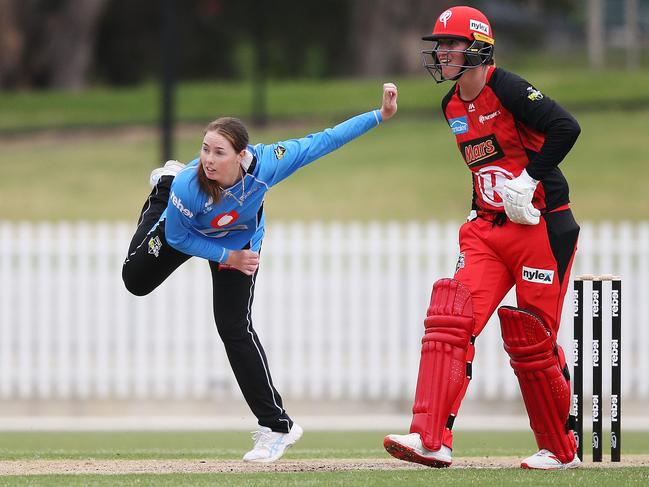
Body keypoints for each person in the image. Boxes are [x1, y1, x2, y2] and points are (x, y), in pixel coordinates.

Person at [121, 83, 397, 463]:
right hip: (189, 230)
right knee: (134, 281)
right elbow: (177, 237)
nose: (209, 160)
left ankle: (276, 427)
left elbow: (325, 140)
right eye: (205, 150)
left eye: (219, 153)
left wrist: (378, 116)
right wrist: (225, 256)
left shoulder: (267, 164)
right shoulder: (191, 184)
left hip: (240, 240)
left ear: (242, 156)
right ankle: (161, 187)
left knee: (233, 327)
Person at [383, 6, 581, 470]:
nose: (443, 53)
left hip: (540, 224)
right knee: (450, 320)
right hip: (488, 229)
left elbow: (566, 127)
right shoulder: (451, 105)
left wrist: (530, 179)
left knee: (532, 339)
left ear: (477, 48)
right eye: (441, 46)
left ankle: (559, 448)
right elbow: (485, 165)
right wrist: (482, 204)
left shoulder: (508, 88)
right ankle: (430, 438)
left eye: (451, 44)